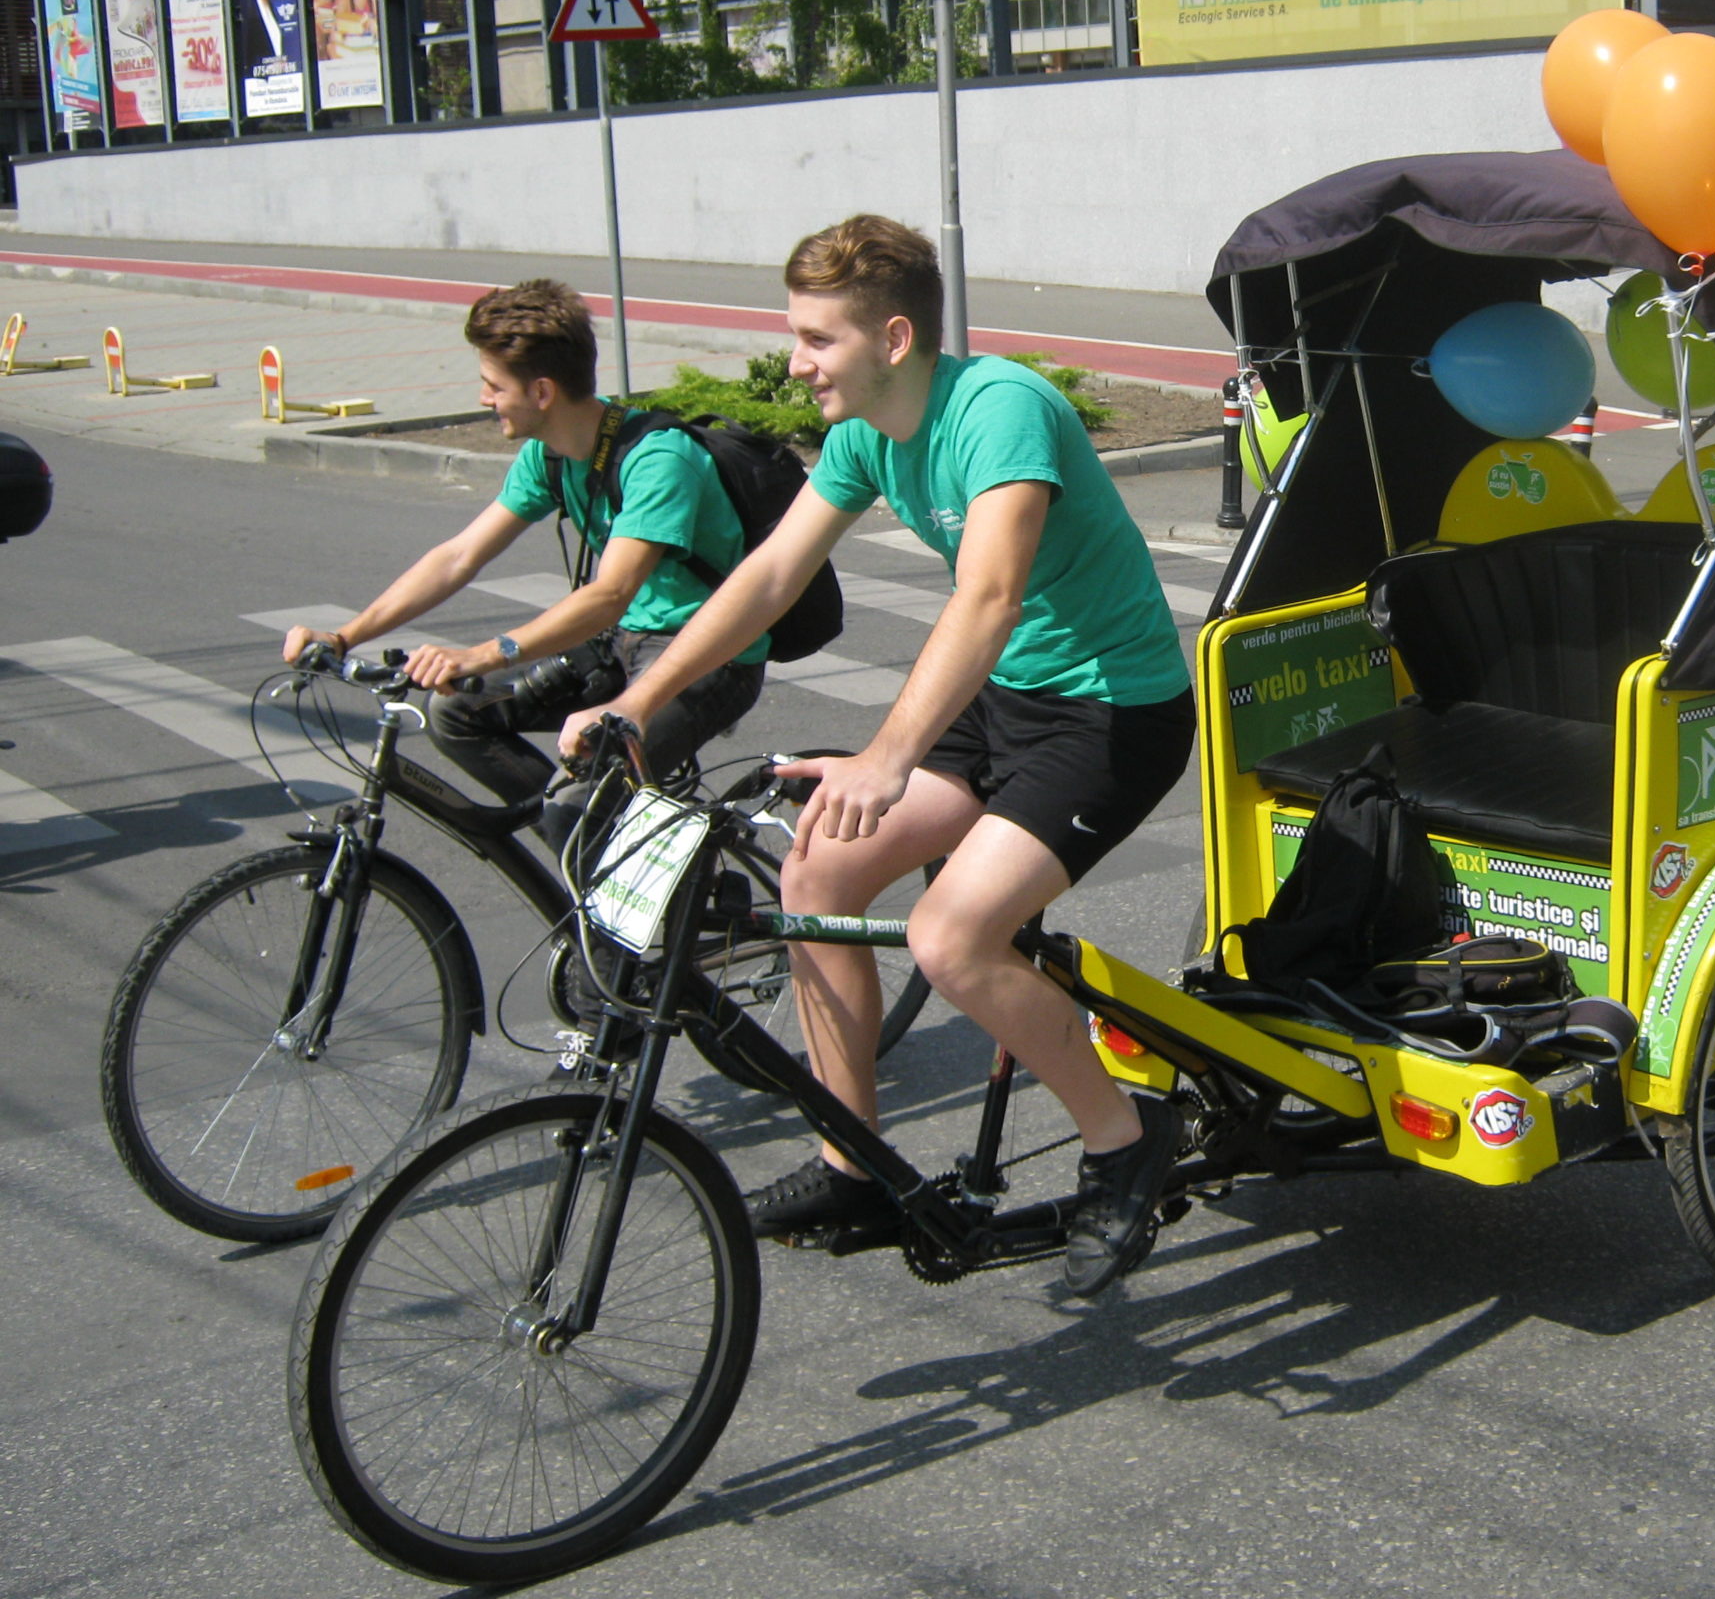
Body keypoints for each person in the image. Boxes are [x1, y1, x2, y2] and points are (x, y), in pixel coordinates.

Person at [558, 215, 1196, 1296]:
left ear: (894, 338)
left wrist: (888, 755)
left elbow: (989, 595)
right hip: (996, 700)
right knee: (818, 875)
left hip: (1107, 713)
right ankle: (850, 1163)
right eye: (796, 337)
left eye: (817, 339)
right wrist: (637, 699)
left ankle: (1125, 1140)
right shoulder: (865, 434)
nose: (795, 362)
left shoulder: (999, 410)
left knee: (952, 938)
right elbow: (769, 579)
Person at [279, 279, 767, 850]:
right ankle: (603, 845)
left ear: (541, 392)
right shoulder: (550, 454)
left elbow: (609, 593)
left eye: (493, 385)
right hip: (621, 642)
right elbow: (459, 556)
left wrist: (486, 652)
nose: (484, 398)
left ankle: (604, 854)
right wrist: (345, 636)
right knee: (457, 712)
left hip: (706, 655)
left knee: (574, 811)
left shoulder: (658, 459)